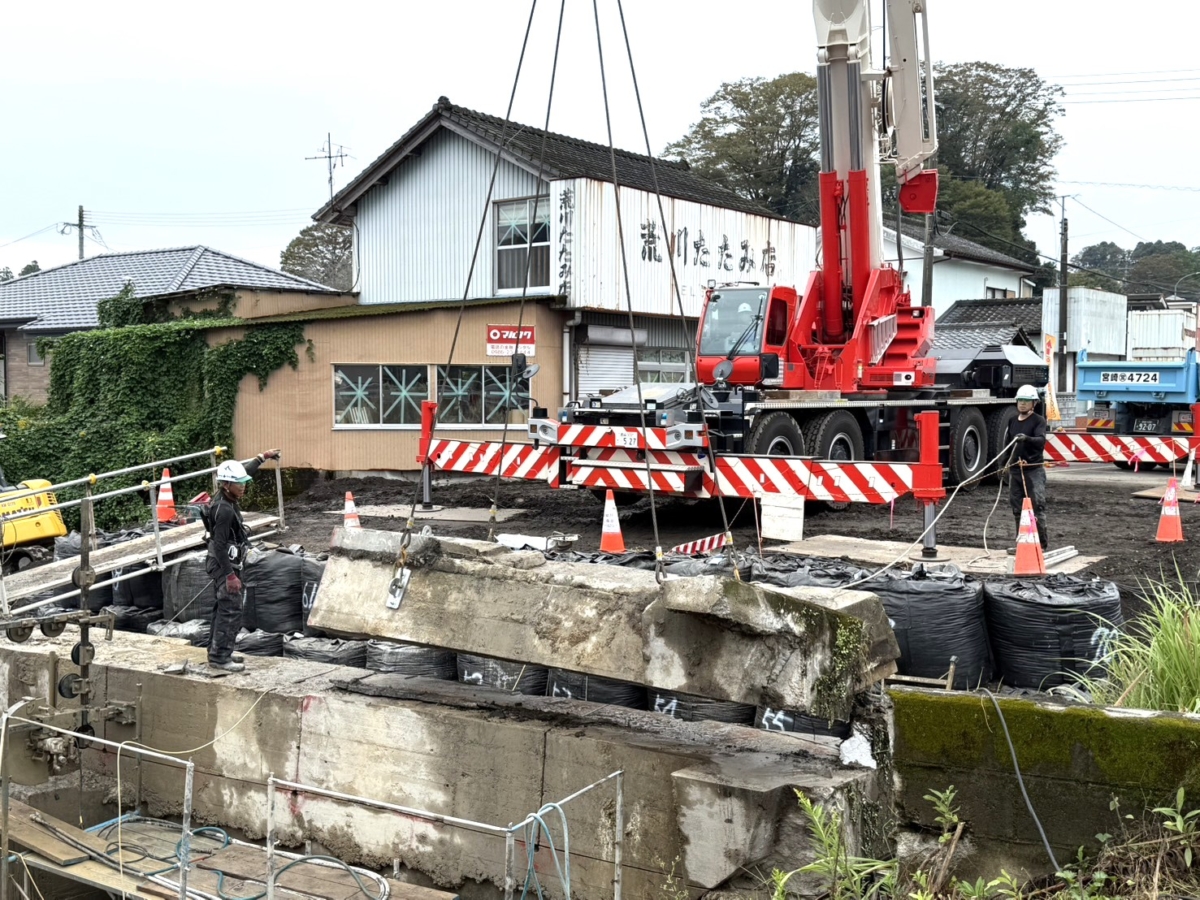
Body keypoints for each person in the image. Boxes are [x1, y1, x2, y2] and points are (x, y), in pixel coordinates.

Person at [206, 450, 280, 672]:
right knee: (231, 610)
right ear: (227, 484)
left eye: (244, 482)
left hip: (223, 561)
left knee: (223, 609)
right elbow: (219, 545)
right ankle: (220, 659)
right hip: (222, 564)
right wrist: (230, 576)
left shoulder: (225, 496)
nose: (244, 486)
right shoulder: (224, 510)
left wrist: (261, 458)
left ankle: (218, 652)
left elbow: (244, 473)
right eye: (239, 483)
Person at [1005, 385, 1048, 551]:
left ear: (1034, 403)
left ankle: (1041, 545)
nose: (1022, 404)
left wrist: (1027, 439)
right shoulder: (1012, 421)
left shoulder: (1039, 421)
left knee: (1037, 507)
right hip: (1016, 470)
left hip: (1033, 470)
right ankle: (1021, 543)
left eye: (1026, 401)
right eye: (1020, 400)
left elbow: (1040, 440)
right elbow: (1008, 445)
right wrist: (1004, 465)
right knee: (1017, 508)